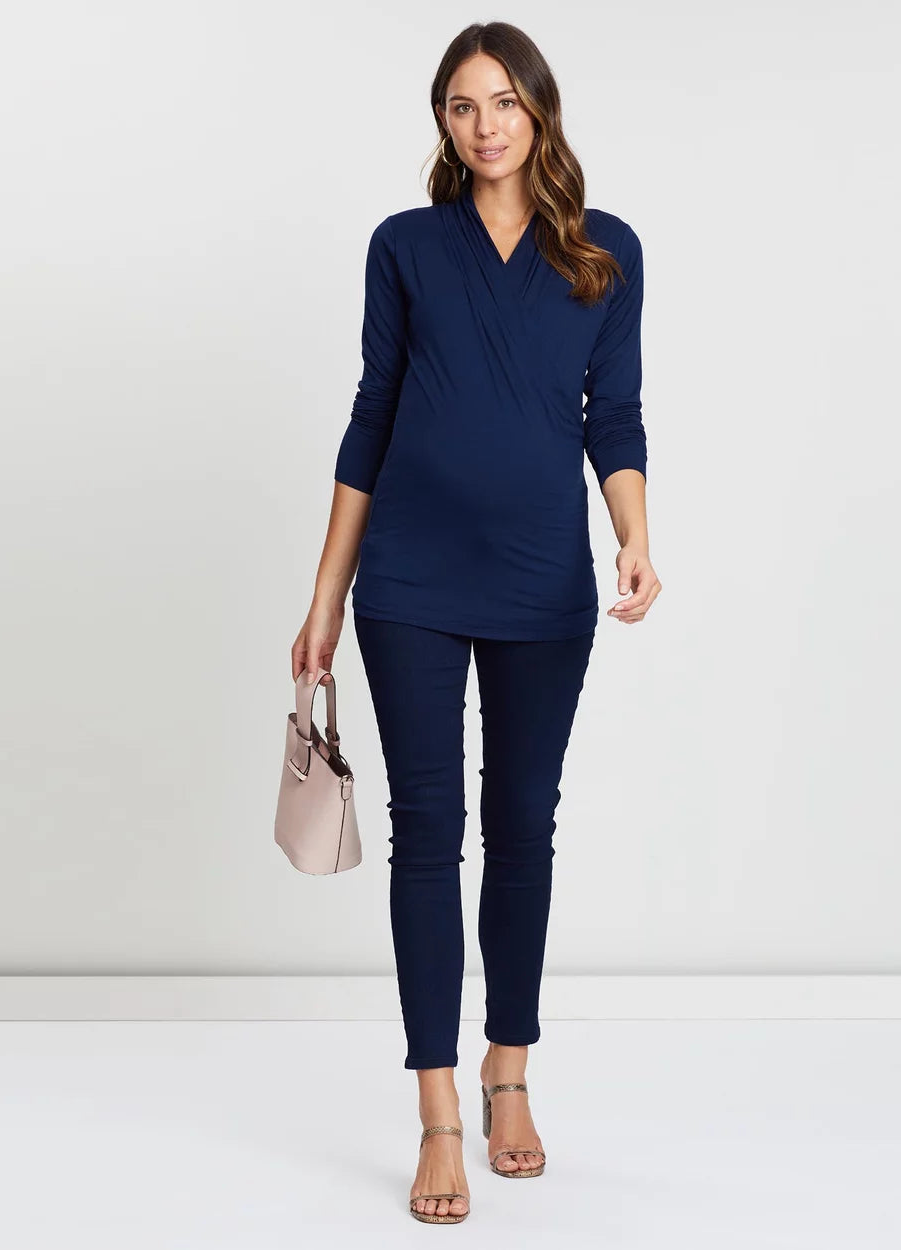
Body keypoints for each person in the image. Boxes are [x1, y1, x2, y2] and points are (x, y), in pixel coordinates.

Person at [291, 21, 662, 1225]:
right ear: (442, 124)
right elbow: (372, 412)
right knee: (427, 831)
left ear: (538, 109)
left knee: (521, 828)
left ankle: (510, 1069)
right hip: (408, 574)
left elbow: (615, 415)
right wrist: (325, 594)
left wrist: (635, 535)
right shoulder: (404, 246)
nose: (485, 123)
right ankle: (438, 1107)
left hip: (542, 580)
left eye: (504, 101)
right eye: (462, 106)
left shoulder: (604, 250)